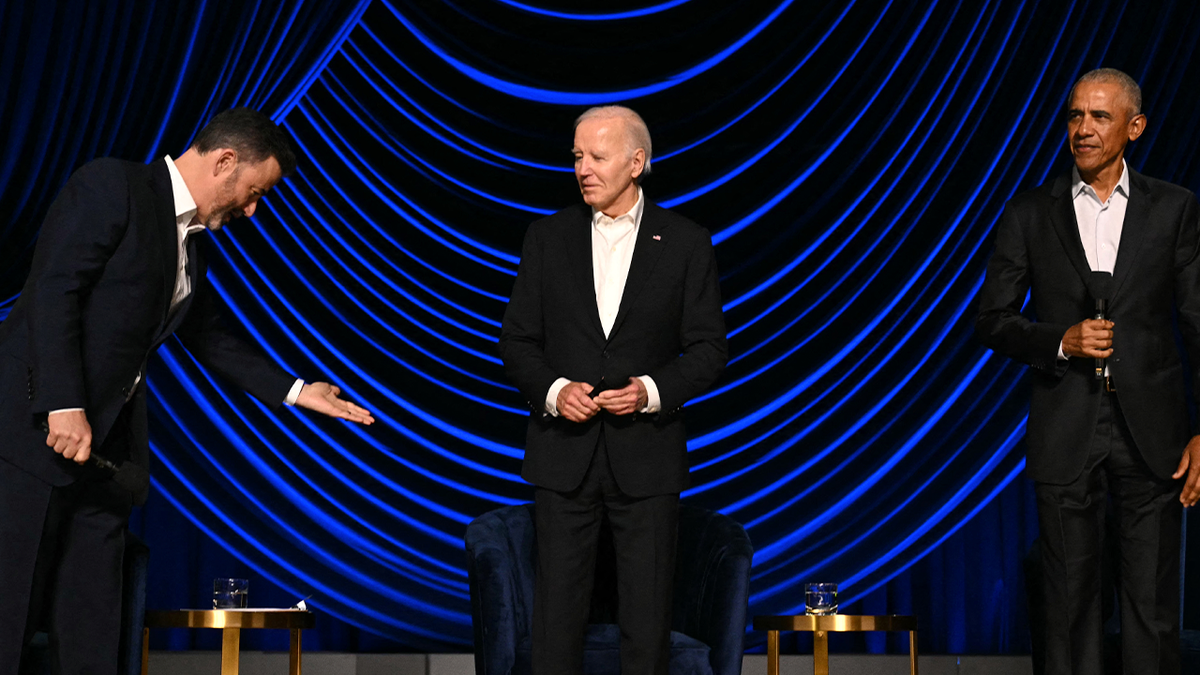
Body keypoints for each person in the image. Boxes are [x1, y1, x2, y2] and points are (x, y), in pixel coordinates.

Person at [0, 107, 374, 674]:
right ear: (225, 161)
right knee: (11, 610)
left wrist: (299, 392)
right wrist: (63, 403)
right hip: (35, 439)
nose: (252, 210)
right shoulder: (114, 186)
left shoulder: (193, 246)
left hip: (105, 457)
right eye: (253, 192)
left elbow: (212, 339)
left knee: (93, 627)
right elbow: (53, 291)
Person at [977, 68, 1200, 675]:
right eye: (1075, 115)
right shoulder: (1029, 211)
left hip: (1153, 436)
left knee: (1151, 611)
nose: (1083, 129)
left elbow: (1198, 321)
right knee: (1068, 608)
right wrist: (1061, 341)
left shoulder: (1175, 209)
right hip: (1066, 426)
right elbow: (991, 319)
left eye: (1100, 117)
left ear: (1135, 127)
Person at [498, 105, 727, 675]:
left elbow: (708, 350)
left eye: (597, 157)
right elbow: (517, 342)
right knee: (556, 620)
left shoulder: (685, 241)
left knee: (647, 623)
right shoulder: (546, 237)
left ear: (637, 162)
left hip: (646, 456)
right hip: (562, 457)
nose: (583, 169)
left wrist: (649, 389)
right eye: (577, 156)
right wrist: (554, 390)